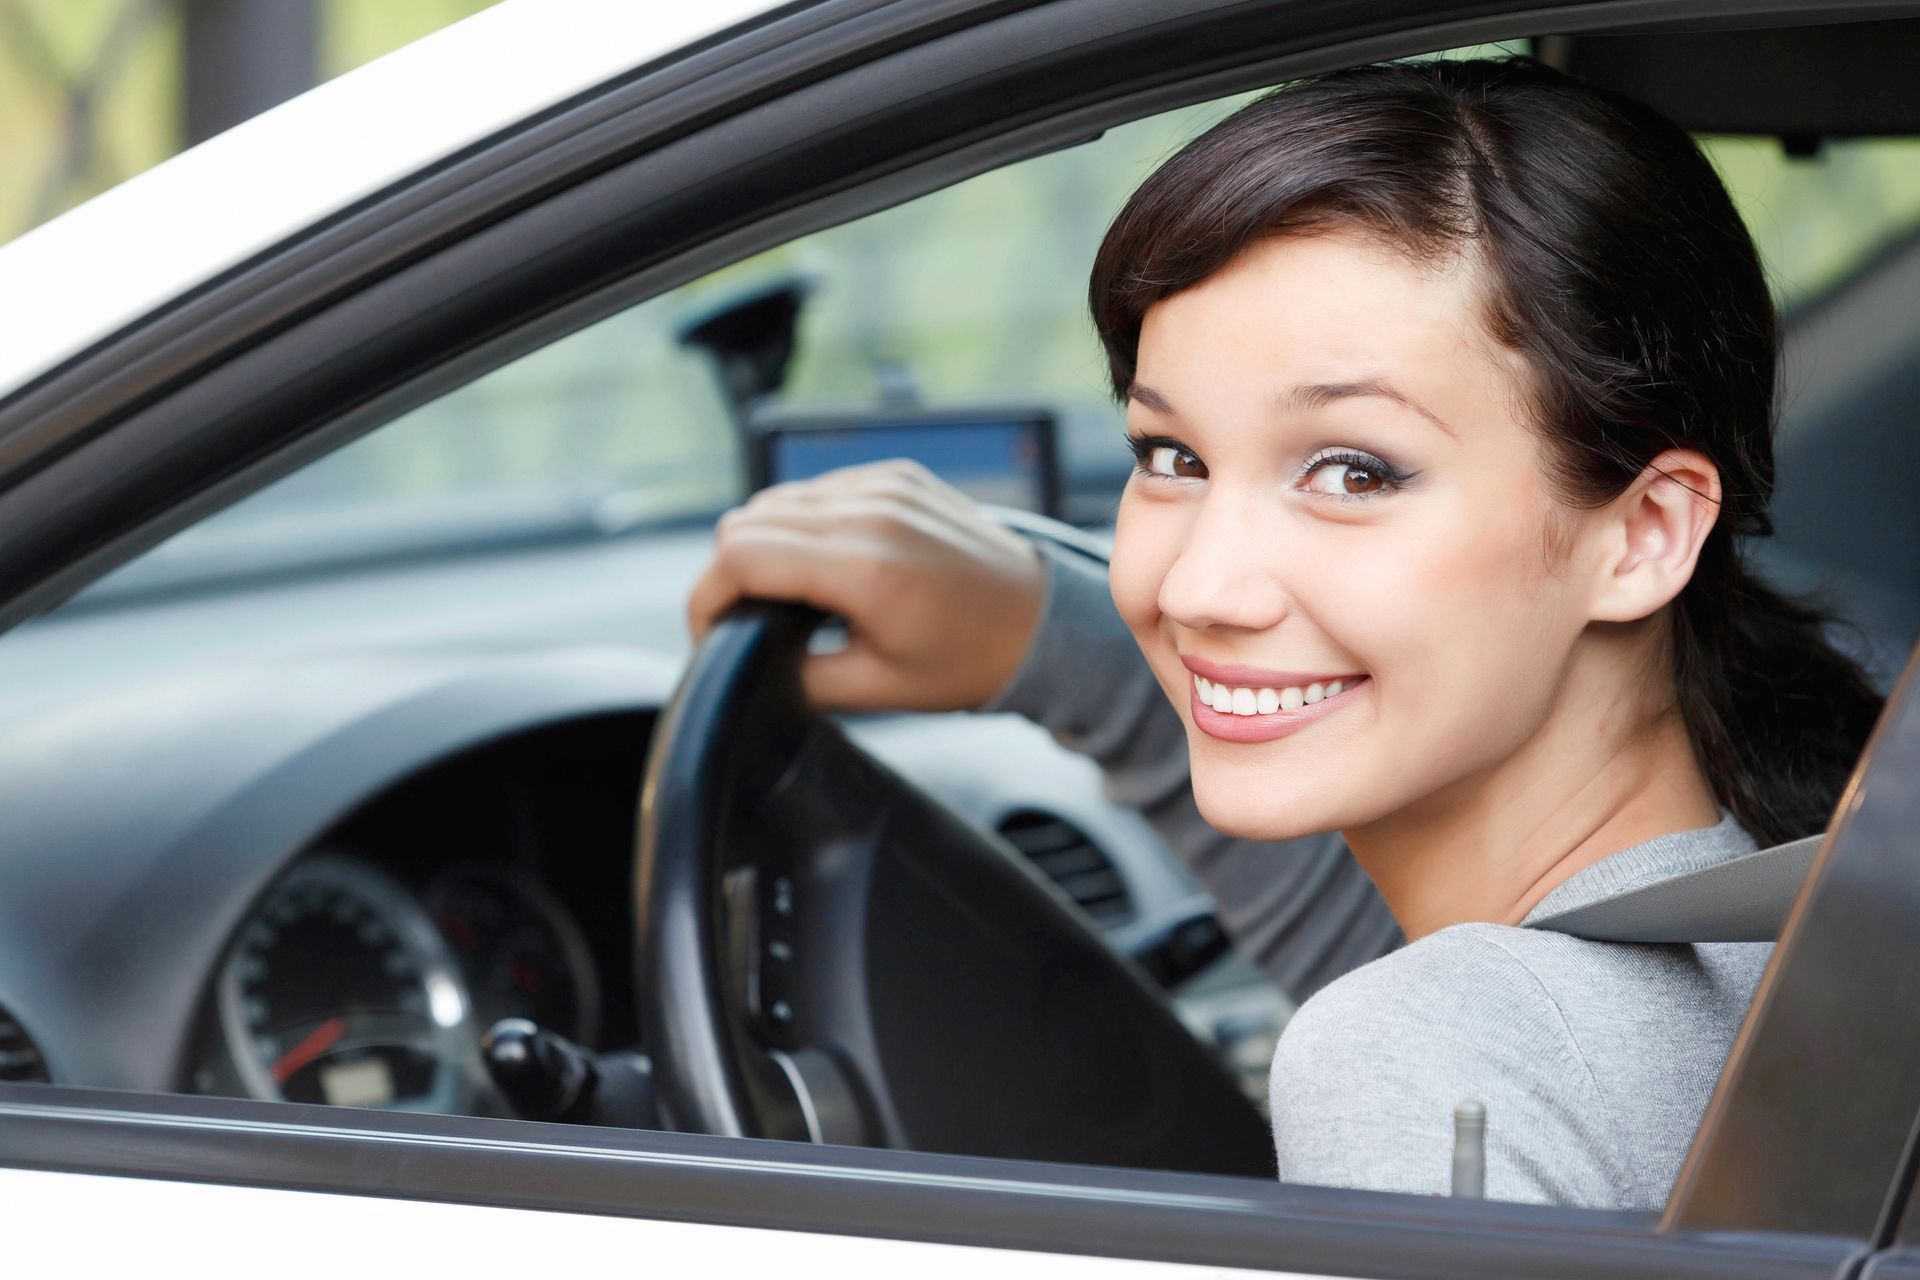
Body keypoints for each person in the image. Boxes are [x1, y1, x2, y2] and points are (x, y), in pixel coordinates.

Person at [687, 57, 1884, 1208]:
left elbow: (1458, 1024)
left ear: (1642, 534)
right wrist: (1044, 638)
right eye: (1172, 457)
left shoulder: (1432, 1057)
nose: (1200, 583)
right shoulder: (1810, 922)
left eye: (1353, 471)